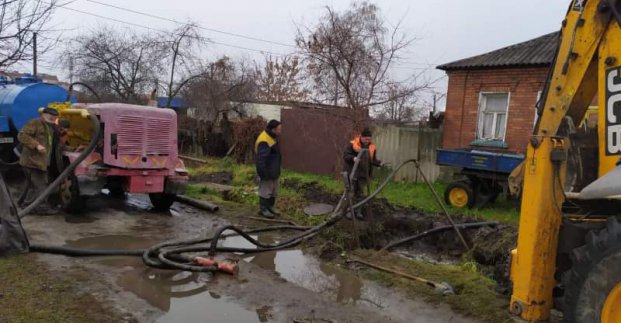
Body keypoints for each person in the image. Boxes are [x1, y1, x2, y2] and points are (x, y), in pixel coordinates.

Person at [17, 107, 63, 214]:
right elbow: (22, 135)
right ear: (44, 115)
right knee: (41, 186)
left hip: (41, 162)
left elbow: (56, 144)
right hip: (32, 161)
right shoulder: (35, 123)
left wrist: (73, 149)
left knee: (34, 186)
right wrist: (37, 145)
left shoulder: (52, 127)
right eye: (51, 117)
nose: (53, 119)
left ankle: (28, 206)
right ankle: (42, 208)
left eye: (55, 117)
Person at [343, 128, 381, 219]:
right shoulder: (353, 144)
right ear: (362, 137)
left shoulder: (372, 147)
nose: (368, 141)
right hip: (352, 173)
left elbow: (372, 160)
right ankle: (348, 212)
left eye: (369, 139)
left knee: (360, 194)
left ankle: (358, 212)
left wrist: (379, 163)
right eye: (366, 139)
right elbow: (346, 155)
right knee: (350, 193)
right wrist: (353, 158)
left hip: (363, 175)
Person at [255, 119, 282, 218]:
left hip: (273, 170)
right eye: (279, 129)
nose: (281, 131)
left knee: (274, 190)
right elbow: (261, 159)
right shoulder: (264, 140)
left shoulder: (272, 137)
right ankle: (263, 209)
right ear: (274, 129)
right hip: (267, 171)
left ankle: (270, 207)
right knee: (265, 191)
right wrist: (263, 174)